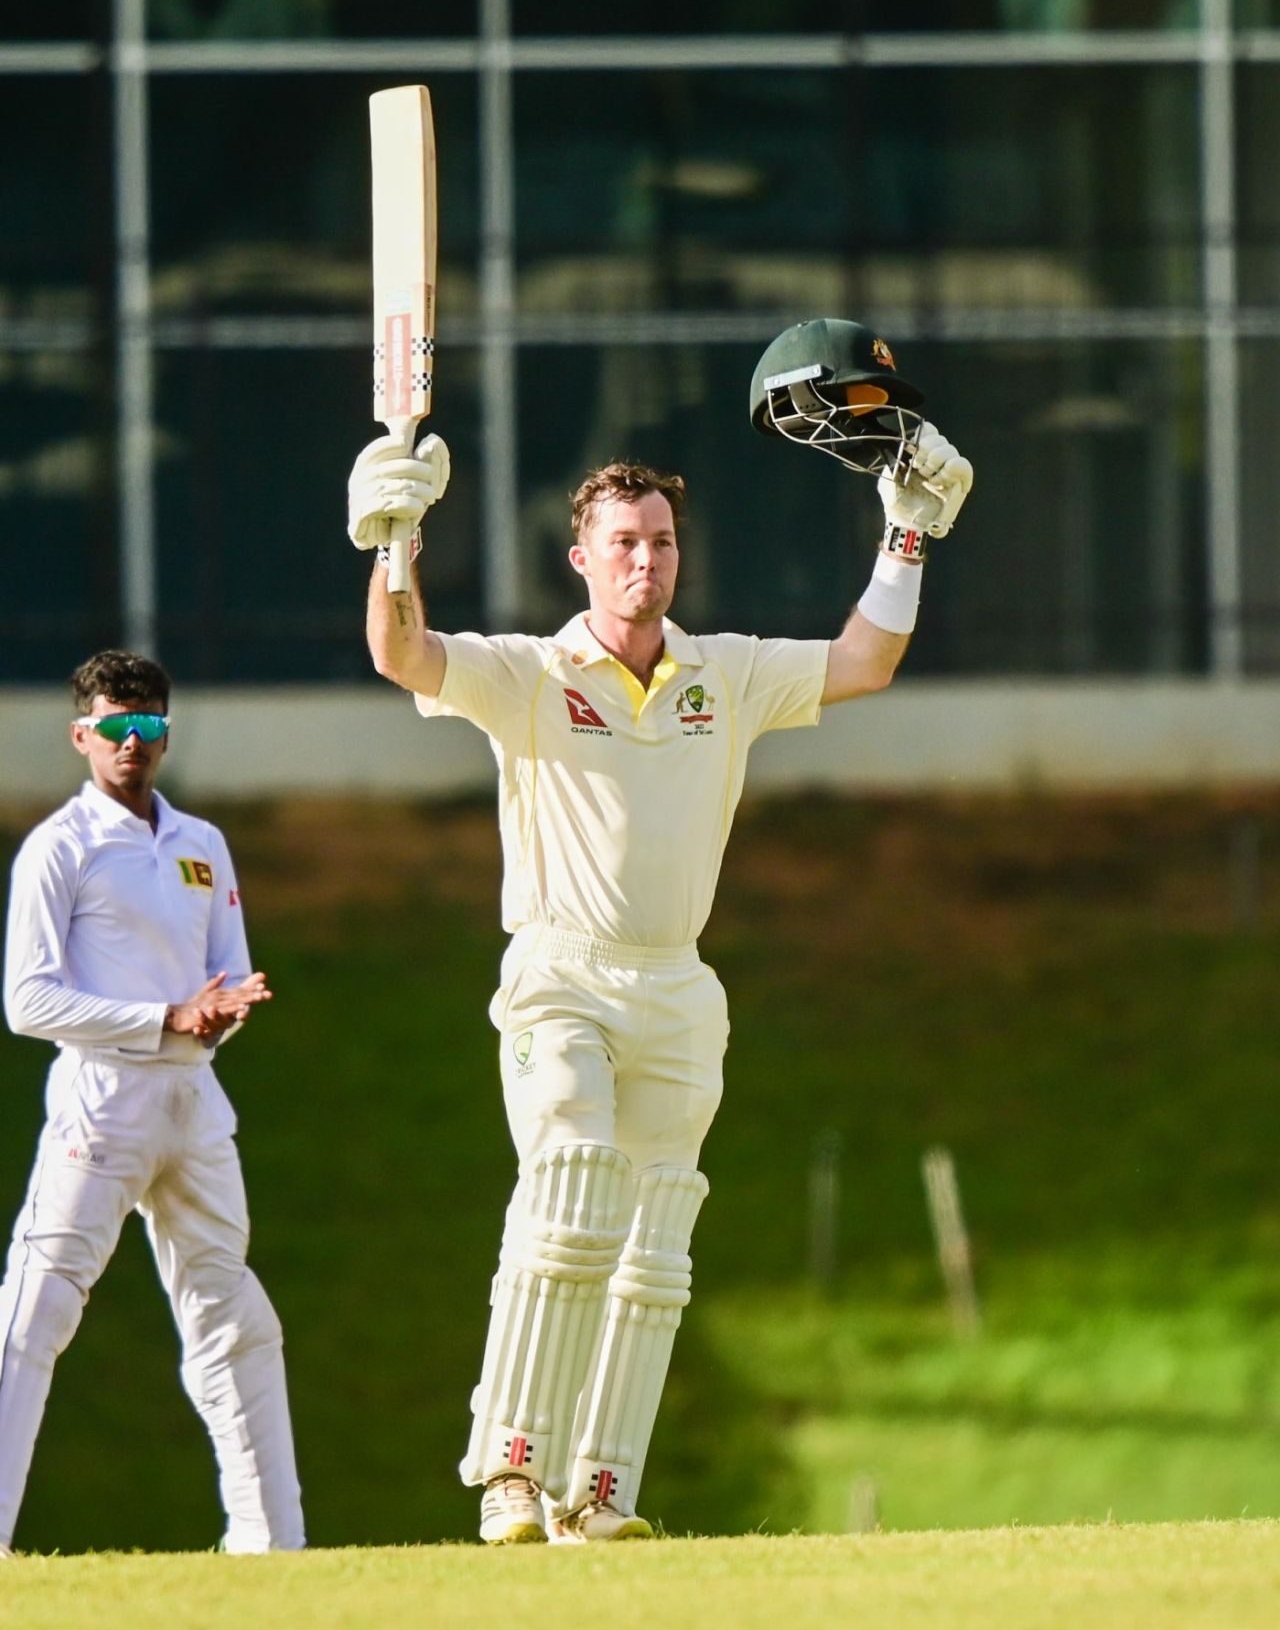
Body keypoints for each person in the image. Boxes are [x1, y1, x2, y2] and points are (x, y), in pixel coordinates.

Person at [346, 319, 972, 1546]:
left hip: (678, 987)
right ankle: (512, 1470)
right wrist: (394, 541)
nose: (645, 561)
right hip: (560, 977)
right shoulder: (525, 672)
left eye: (661, 542)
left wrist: (906, 535)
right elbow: (399, 649)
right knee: (570, 1177)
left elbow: (861, 662)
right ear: (578, 555)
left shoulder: (722, 673)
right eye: (622, 543)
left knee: (653, 1239)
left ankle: (601, 1491)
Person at [0, 649, 305, 1559]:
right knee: (36, 1311)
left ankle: (272, 1547)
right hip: (104, 1104)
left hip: (195, 1103)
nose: (134, 744)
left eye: (150, 728)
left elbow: (228, 983)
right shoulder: (60, 847)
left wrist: (214, 1020)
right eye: (116, 728)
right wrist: (163, 1017)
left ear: (167, 734)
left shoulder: (202, 844)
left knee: (232, 1314)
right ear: (82, 735)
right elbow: (29, 1000)